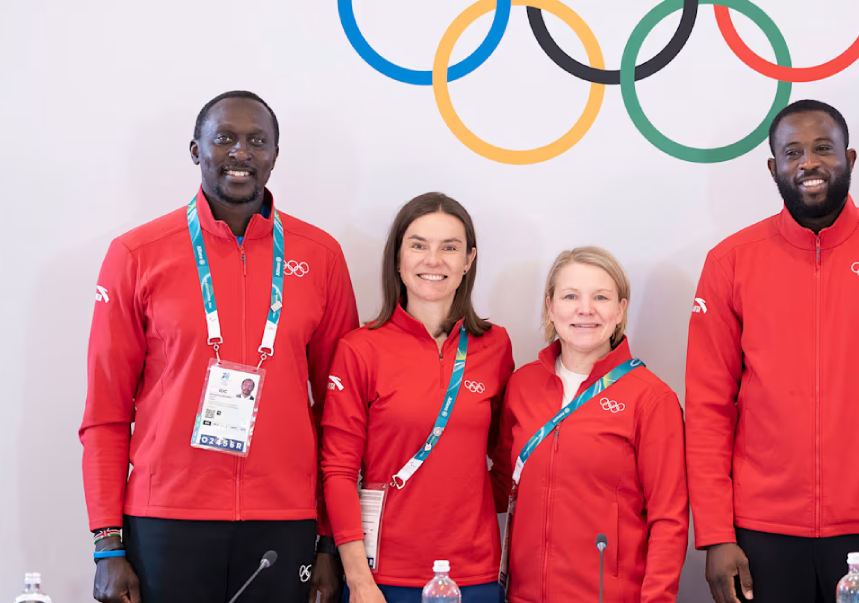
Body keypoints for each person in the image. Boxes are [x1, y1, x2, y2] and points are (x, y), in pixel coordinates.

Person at [80, 90, 359, 603]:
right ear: (196, 150)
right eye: (225, 138)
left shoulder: (320, 257)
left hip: (284, 520)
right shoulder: (137, 254)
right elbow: (105, 413)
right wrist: (107, 544)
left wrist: (329, 541)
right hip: (165, 517)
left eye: (257, 141)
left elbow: (340, 416)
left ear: (275, 155)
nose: (241, 153)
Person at [686, 99, 859, 603]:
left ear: (850, 158)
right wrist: (715, 533)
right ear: (773, 168)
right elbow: (707, 410)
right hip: (760, 531)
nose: (808, 163)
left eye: (823, 149)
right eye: (792, 152)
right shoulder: (730, 262)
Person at [320, 193, 513, 603]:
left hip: (474, 574)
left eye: (450, 248)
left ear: (468, 260)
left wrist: (466, 505)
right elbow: (338, 471)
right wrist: (358, 580)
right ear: (398, 259)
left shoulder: (494, 346)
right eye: (419, 245)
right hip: (383, 577)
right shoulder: (360, 349)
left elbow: (506, 455)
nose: (434, 260)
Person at [497, 247, 688, 603]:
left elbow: (669, 518)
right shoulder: (521, 385)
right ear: (551, 307)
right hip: (522, 596)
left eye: (601, 297)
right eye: (571, 296)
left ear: (620, 311)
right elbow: (502, 483)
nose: (586, 309)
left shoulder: (651, 398)